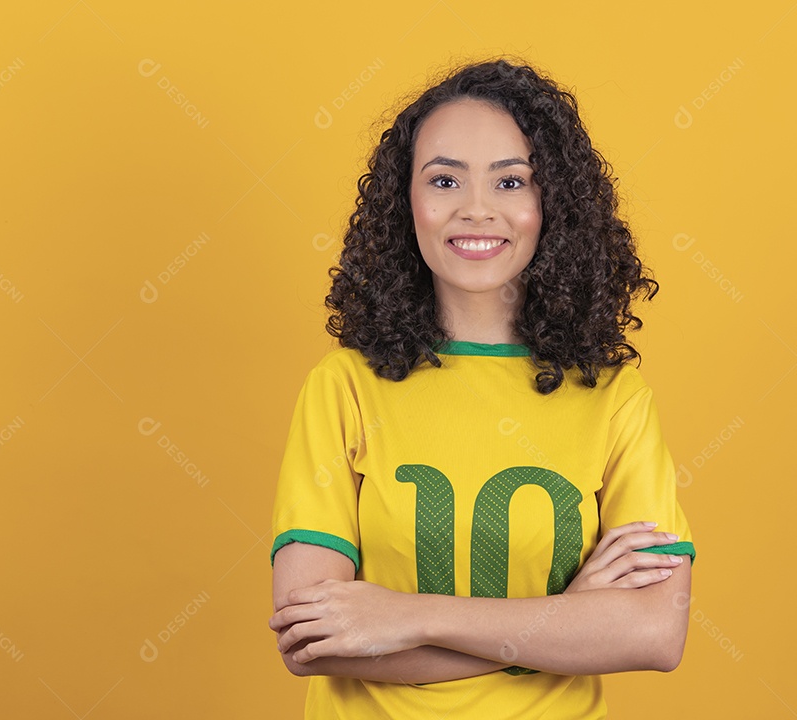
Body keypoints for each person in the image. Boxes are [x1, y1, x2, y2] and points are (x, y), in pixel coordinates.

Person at [268, 56, 696, 719]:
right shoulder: (344, 386)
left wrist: (408, 616)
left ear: (550, 204)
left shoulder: (615, 396)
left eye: (510, 182)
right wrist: (567, 619)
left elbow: (655, 633)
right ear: (404, 203)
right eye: (444, 180)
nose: (475, 210)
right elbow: (310, 641)